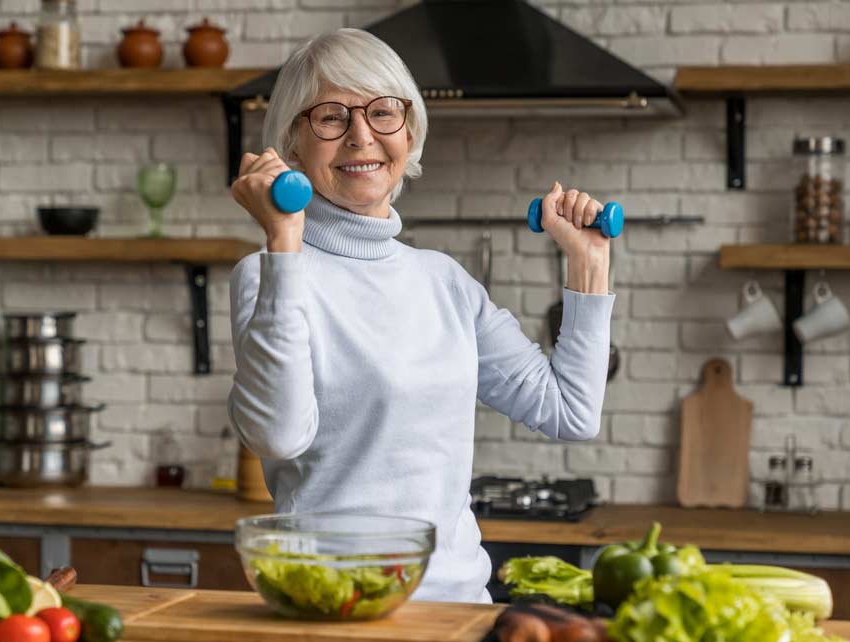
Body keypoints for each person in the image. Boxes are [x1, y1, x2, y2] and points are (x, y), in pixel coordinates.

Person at [228, 28, 614, 604]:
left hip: (459, 610)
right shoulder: (270, 274)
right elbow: (279, 437)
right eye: (331, 117)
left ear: (408, 131)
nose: (362, 137)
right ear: (292, 140)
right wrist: (285, 237)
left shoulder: (445, 281)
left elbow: (570, 412)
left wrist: (589, 261)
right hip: (336, 610)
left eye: (383, 113)